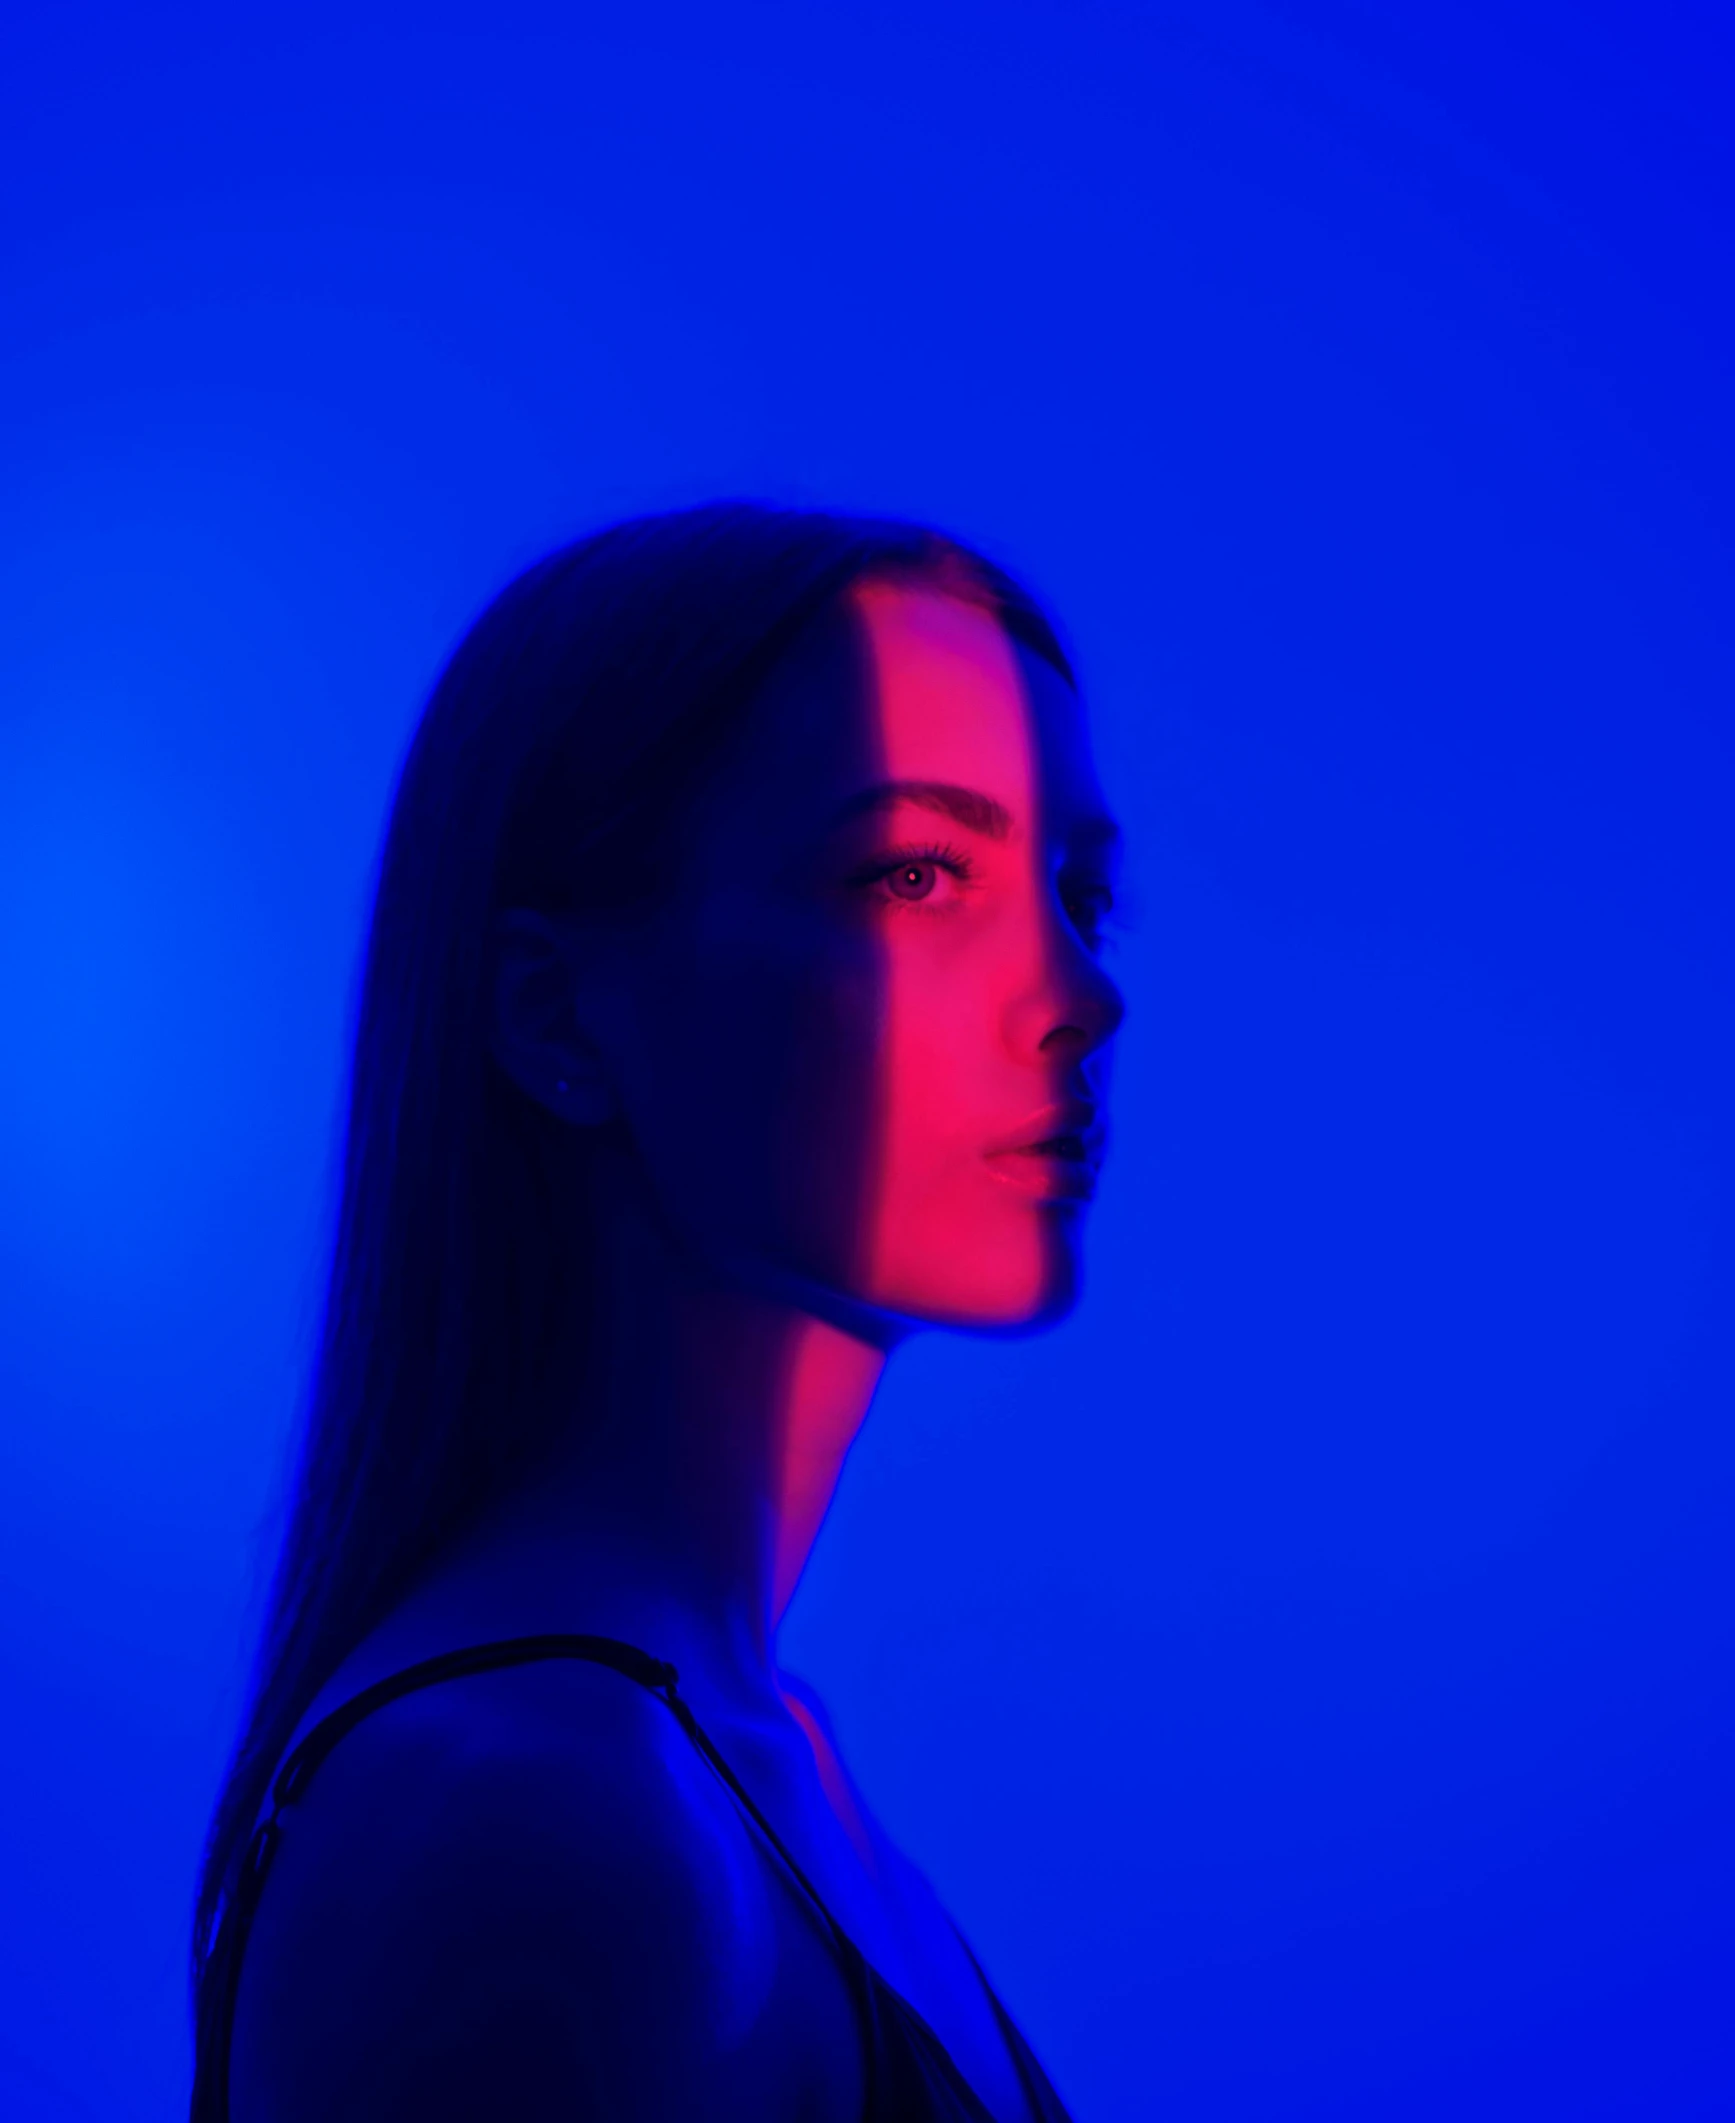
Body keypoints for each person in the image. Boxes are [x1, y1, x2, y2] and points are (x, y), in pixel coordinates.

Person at [189, 501, 1126, 2121]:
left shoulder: (741, 1765)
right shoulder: (529, 1822)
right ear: (557, 1013)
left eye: (1079, 895)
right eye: (916, 874)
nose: (1077, 991)